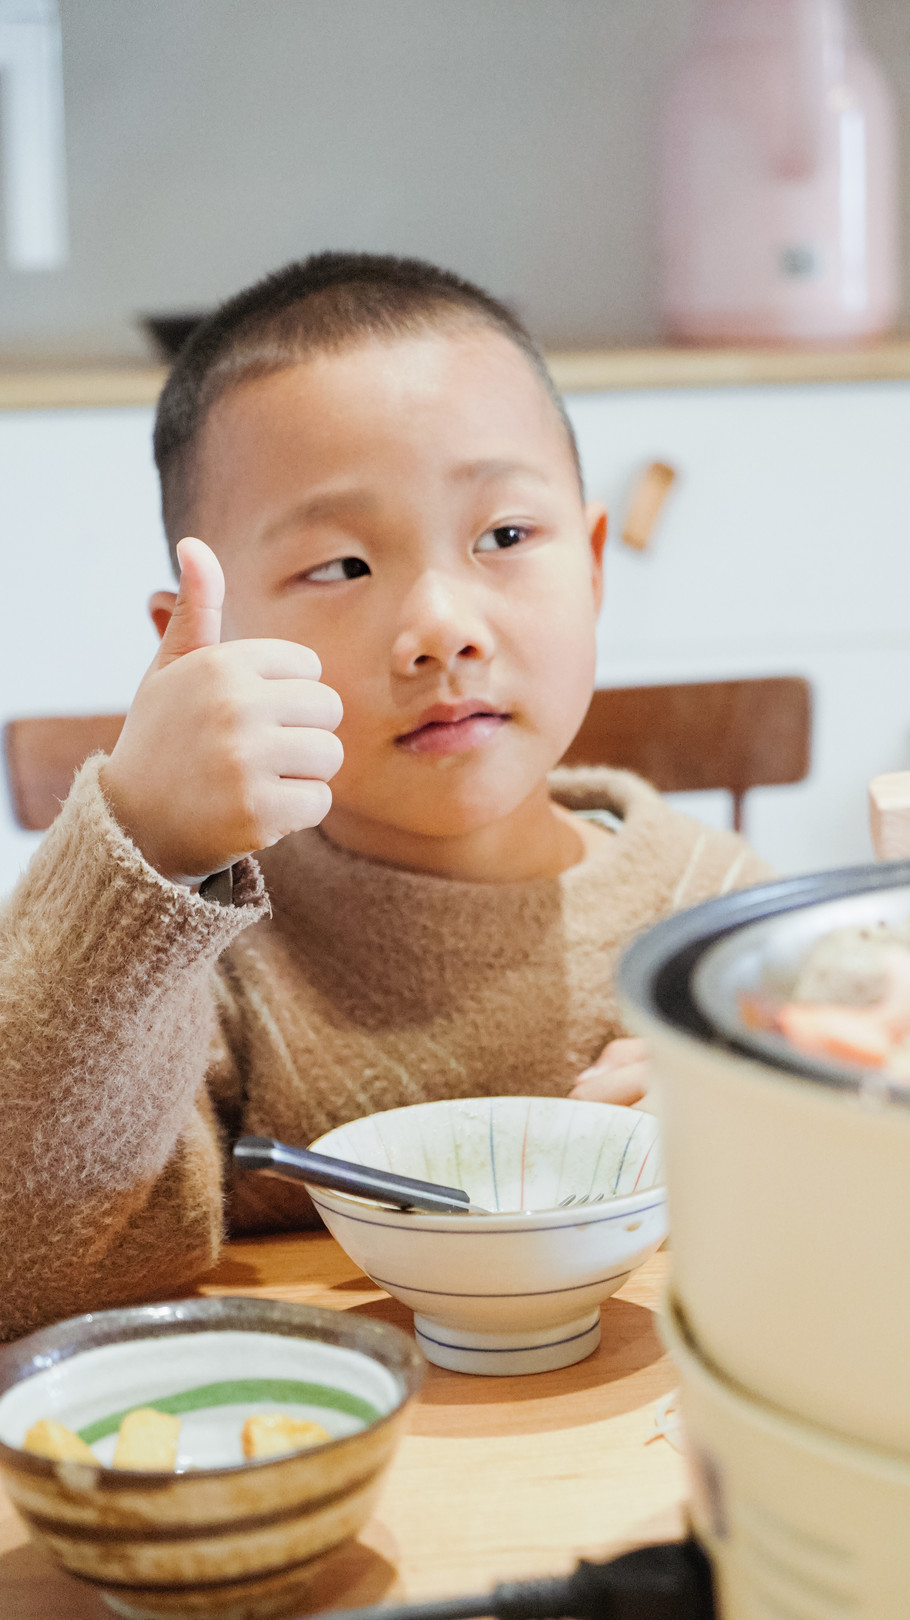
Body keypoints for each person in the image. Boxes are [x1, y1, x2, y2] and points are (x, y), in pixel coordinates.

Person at [0, 252, 769, 1341]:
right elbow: (32, 1279)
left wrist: (757, 1134)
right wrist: (135, 842)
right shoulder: (195, 955)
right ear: (202, 646)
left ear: (594, 567)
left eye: (504, 537)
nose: (443, 626)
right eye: (343, 566)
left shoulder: (716, 920)